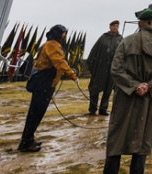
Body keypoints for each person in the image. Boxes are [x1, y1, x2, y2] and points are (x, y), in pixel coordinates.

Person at [93, 6, 152, 174]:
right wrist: (150, 86)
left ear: (139, 22)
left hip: (125, 98)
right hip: (148, 100)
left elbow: (116, 69)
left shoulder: (127, 41)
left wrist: (134, 85)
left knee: (116, 143)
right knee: (141, 145)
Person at [18, 24, 77, 153]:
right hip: (43, 83)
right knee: (36, 113)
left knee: (35, 113)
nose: (64, 36)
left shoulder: (48, 44)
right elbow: (59, 62)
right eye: (63, 33)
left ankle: (28, 139)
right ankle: (26, 142)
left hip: (43, 82)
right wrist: (72, 75)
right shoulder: (52, 45)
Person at [86, 20, 122, 116]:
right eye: (113, 26)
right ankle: (92, 109)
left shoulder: (120, 39)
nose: (115, 28)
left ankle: (103, 109)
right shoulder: (103, 38)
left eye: (117, 26)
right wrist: (92, 66)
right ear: (110, 27)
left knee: (108, 90)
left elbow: (122, 54)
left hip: (112, 69)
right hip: (100, 68)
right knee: (95, 89)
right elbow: (94, 51)